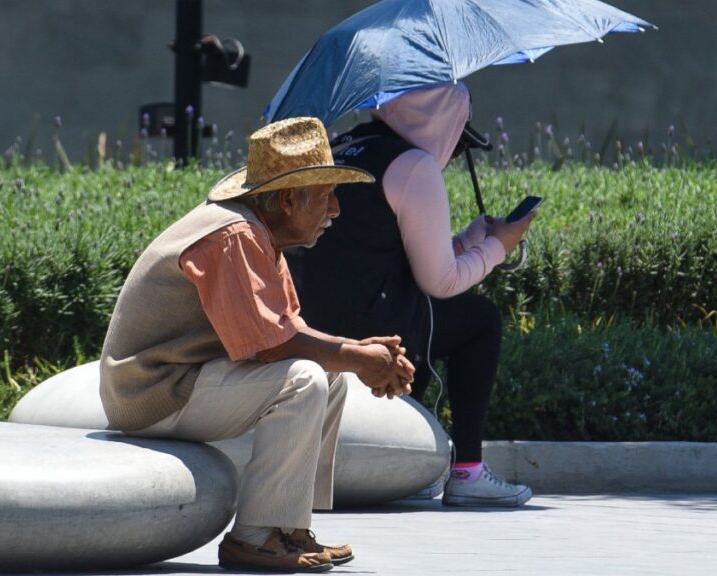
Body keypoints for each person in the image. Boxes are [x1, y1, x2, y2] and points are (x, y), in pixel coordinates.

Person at [99, 117, 415, 573]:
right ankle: (256, 537)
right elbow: (269, 347)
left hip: (182, 381)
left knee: (327, 375)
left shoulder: (259, 233)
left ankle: (288, 529)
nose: (336, 210)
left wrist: (361, 354)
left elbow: (285, 330)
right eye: (327, 196)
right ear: (289, 199)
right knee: (305, 379)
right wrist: (357, 356)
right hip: (151, 394)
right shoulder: (235, 235)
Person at [286, 83, 536, 507]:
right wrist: (499, 247)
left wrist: (468, 241)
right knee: (479, 321)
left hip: (312, 319)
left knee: (424, 312)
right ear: (441, 120)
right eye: (458, 132)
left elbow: (379, 251)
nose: (456, 149)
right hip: (370, 324)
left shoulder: (343, 145)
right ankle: (467, 470)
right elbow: (439, 282)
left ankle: (417, 463)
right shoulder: (413, 164)